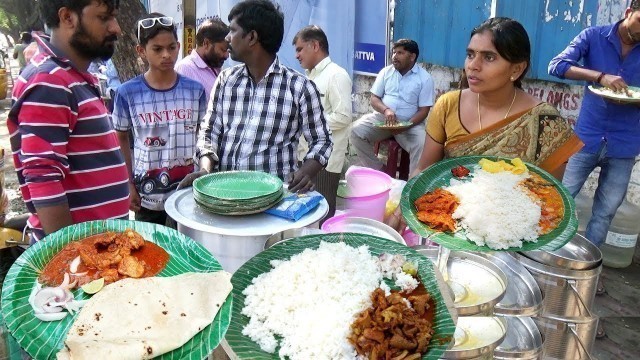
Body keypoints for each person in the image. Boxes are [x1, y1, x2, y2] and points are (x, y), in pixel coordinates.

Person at [390, 17, 581, 230]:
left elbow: (549, 198)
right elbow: (424, 169)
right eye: (470, 54)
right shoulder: (448, 106)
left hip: (512, 237)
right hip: (450, 228)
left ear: (516, 70)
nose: (473, 65)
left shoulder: (545, 121)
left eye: (489, 57)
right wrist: (400, 212)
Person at [7, 0, 129, 241]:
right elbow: (43, 179)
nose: (116, 28)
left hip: (98, 250)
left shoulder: (71, 76)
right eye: (104, 18)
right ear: (67, 18)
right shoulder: (49, 82)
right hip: (80, 263)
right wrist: (70, 261)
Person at [183, 0, 332, 194]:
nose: (227, 38)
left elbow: (322, 140)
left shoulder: (299, 88)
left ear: (252, 37)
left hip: (274, 203)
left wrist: (306, 172)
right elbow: (209, 131)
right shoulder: (226, 81)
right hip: (224, 196)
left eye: (233, 31)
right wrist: (205, 169)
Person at [548, 1, 640, 249]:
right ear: (628, 13)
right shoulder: (594, 36)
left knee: (605, 213)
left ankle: (589, 271)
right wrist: (599, 76)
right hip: (586, 138)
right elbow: (556, 65)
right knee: (559, 201)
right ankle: (544, 257)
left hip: (625, 145)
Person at [112, 13, 207, 226]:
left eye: (172, 47)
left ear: (179, 46)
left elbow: (204, 136)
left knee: (183, 255)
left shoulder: (195, 90)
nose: (167, 55)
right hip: (147, 198)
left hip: (187, 194)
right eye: (157, 49)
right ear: (141, 51)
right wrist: (128, 185)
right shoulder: (127, 93)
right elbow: (120, 139)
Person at [292, 25, 352, 221]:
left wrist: (310, 123)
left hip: (326, 161)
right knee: (306, 212)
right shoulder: (309, 77)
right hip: (306, 156)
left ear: (315, 45)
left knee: (324, 212)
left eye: (300, 49)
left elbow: (343, 116)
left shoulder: (336, 75)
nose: (297, 56)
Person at [350, 39, 434, 174]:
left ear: (412, 57)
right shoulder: (385, 72)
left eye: (400, 53)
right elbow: (374, 98)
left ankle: (412, 184)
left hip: (410, 125)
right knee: (355, 131)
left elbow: (424, 111)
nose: (394, 56)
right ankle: (379, 172)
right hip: (383, 119)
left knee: (423, 144)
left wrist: (405, 125)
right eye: (394, 52)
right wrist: (386, 110)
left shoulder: (425, 78)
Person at [175, 17, 229, 102]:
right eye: (223, 50)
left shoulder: (215, 66)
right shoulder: (185, 69)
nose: (226, 56)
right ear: (206, 43)